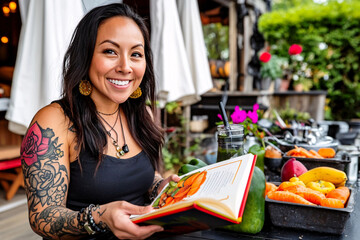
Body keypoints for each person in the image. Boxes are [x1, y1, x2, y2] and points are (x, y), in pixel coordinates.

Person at [20, 3, 179, 239]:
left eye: (136, 54)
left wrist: (160, 186)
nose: (125, 67)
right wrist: (99, 218)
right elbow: (42, 217)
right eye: (110, 51)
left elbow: (143, 176)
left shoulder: (141, 114)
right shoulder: (53, 121)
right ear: (85, 56)